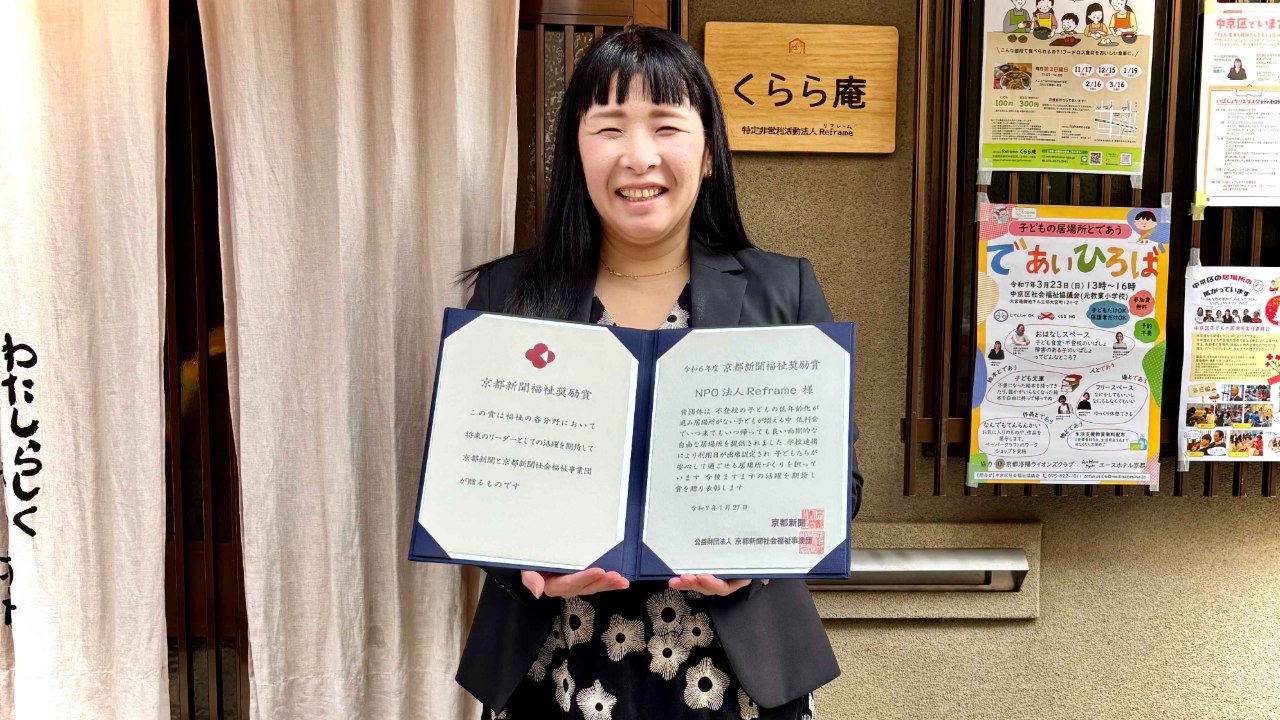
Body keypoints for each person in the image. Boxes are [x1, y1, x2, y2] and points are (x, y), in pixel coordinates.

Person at [457, 27, 860, 719]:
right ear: (575, 150)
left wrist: (756, 561)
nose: (638, 155)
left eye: (666, 126)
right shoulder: (509, 295)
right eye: (609, 127)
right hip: (556, 665)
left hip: (737, 675)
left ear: (708, 153)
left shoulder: (782, 292)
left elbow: (837, 488)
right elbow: (471, 485)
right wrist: (525, 565)